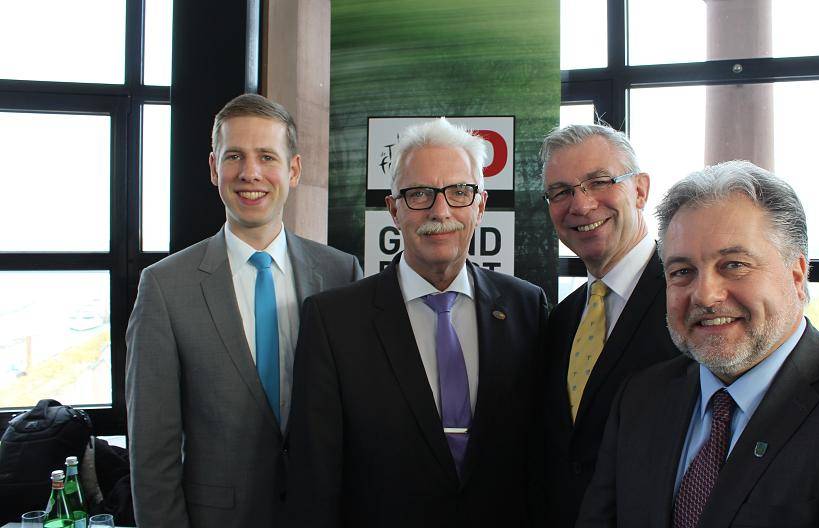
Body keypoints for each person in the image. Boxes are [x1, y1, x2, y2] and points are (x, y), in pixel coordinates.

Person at [577, 160, 819, 527]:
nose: (705, 295)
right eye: (682, 272)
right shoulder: (641, 398)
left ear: (797, 275)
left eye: (734, 265)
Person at [286, 118, 548, 527]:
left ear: (480, 206)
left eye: (459, 192)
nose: (439, 211)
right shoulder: (333, 321)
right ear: (394, 209)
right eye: (419, 193)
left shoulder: (526, 307)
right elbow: (313, 481)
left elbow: (539, 456)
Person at [125, 93, 362, 528]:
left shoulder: (341, 271)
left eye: (267, 156)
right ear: (215, 169)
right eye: (234, 156)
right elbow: (151, 455)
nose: (250, 172)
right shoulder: (164, 287)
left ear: (293, 169)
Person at [539, 123, 680, 527]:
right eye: (561, 191)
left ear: (639, 190)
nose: (580, 205)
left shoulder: (688, 302)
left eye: (599, 182)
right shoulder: (560, 320)